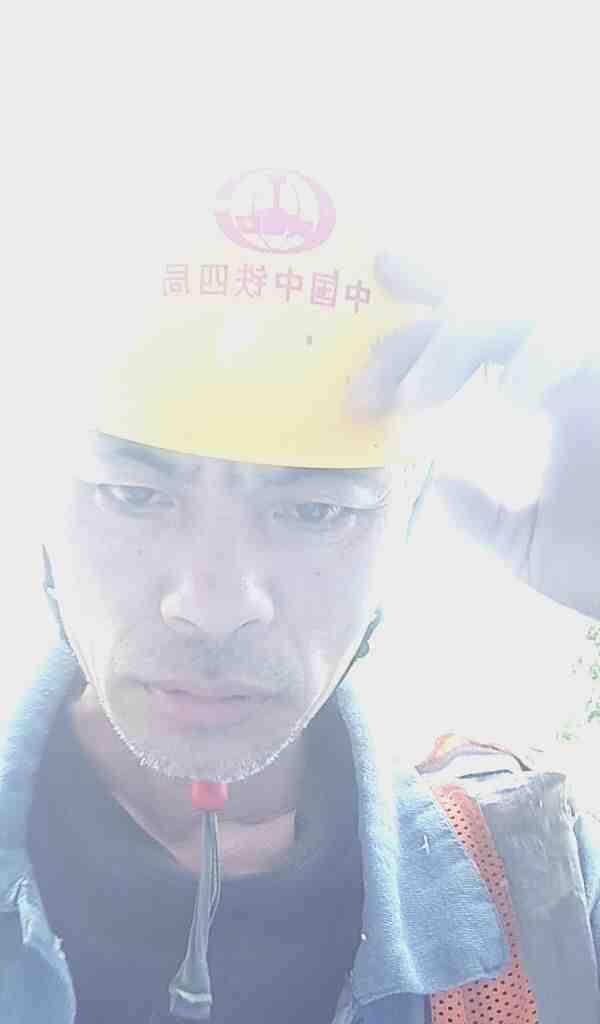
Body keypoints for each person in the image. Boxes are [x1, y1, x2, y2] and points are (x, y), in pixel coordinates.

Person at [1, 165, 599, 1024]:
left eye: (315, 510)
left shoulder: (537, 888)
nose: (213, 606)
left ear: (407, 524)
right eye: (132, 494)